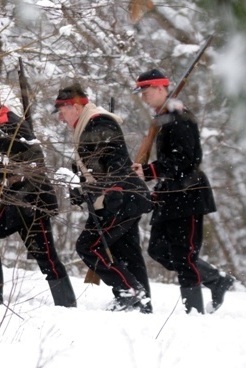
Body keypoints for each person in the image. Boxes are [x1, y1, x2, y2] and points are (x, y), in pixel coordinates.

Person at [0, 80, 76, 307]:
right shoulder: (6, 124)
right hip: (32, 199)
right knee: (46, 257)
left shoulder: (9, 127)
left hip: (26, 200)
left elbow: (12, 169)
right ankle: (67, 305)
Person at [131, 69, 233, 314]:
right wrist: (148, 170)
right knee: (157, 249)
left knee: (184, 256)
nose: (143, 97)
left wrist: (148, 172)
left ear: (159, 89)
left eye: (145, 92)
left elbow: (185, 161)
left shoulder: (179, 118)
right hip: (170, 196)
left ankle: (194, 313)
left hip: (187, 195)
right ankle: (215, 279)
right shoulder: (165, 118)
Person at [53, 83, 153, 312]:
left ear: (76, 107)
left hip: (121, 198)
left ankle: (131, 291)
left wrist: (112, 191)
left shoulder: (99, 122)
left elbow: (116, 160)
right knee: (127, 254)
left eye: (62, 111)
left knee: (88, 246)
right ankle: (142, 307)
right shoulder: (88, 125)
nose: (60, 118)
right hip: (122, 198)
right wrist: (79, 189)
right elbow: (95, 167)